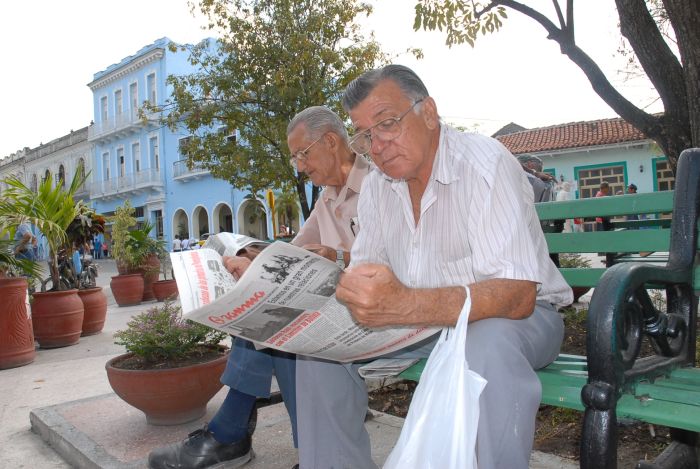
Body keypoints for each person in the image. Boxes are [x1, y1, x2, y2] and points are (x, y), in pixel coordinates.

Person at [295, 65, 572, 469]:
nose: (377, 145)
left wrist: (405, 305)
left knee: (484, 341)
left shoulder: (484, 165)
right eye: (366, 135)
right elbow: (372, 270)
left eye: (387, 123)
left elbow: (517, 295)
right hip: (422, 324)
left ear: (428, 113)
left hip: (520, 320)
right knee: (317, 352)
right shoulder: (377, 185)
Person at [148, 105, 372, 469]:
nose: (299, 165)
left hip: (373, 313)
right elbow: (294, 252)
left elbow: (393, 261)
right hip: (337, 310)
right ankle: (278, 443)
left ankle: (232, 432)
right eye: (294, 157)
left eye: (303, 153)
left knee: (281, 332)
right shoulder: (327, 198)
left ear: (331, 141)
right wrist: (252, 266)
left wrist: (339, 257)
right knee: (263, 313)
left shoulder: (379, 184)